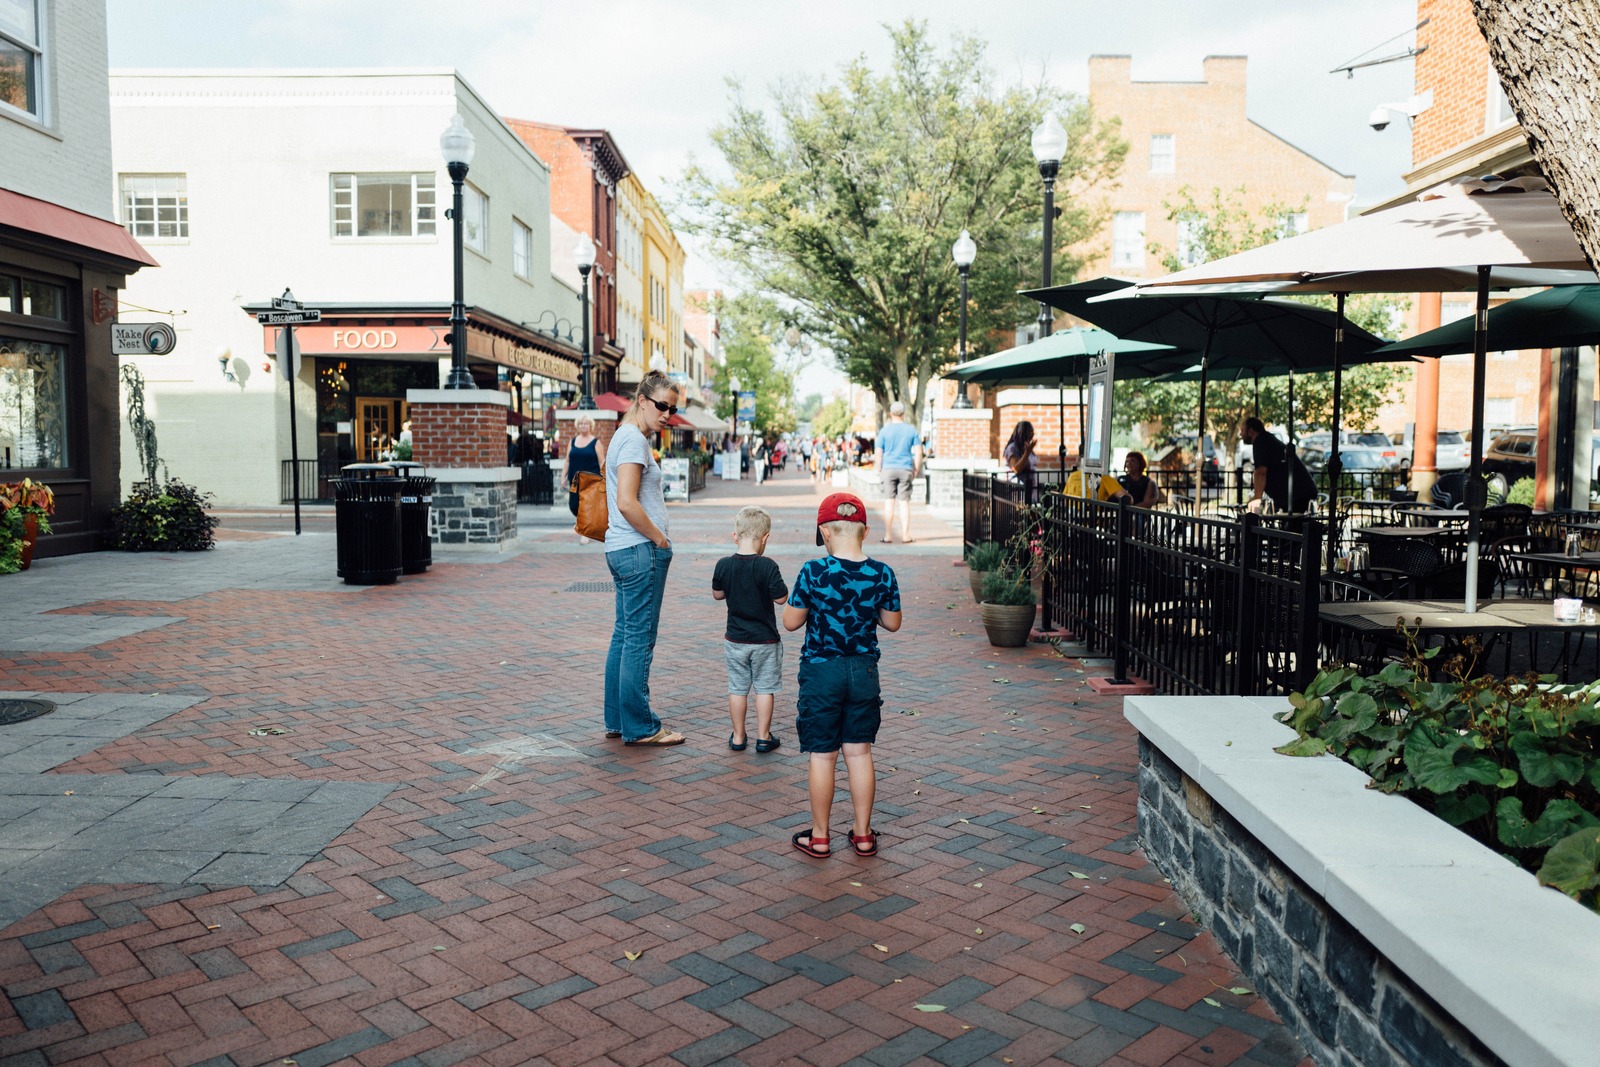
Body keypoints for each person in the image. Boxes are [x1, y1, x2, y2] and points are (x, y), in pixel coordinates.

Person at [782, 492, 903, 859]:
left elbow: (790, 622)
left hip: (822, 671)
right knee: (859, 752)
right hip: (863, 670)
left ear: (824, 532)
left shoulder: (813, 571)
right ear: (864, 531)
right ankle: (863, 834)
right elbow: (893, 623)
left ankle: (820, 837)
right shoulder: (882, 572)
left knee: (822, 755)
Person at [604, 372, 685, 746]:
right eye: (662, 405)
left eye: (673, 407)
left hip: (622, 549)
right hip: (639, 550)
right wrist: (659, 539)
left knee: (624, 635)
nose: (668, 413)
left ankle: (619, 719)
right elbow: (626, 502)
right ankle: (640, 727)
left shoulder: (624, 437)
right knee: (639, 638)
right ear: (641, 400)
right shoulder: (634, 441)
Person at [712, 506, 789, 754]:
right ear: (765, 537)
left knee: (737, 687)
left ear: (735, 535)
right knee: (765, 688)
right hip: (765, 640)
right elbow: (781, 598)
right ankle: (764, 737)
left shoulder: (723, 565)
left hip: (735, 639)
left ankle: (737, 736)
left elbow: (717, 594)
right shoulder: (768, 566)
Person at [1240, 416, 1315, 514]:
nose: (1240, 434)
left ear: (1251, 431)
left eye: (1242, 430)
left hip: (1296, 495)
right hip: (1298, 492)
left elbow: (1260, 472)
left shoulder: (1261, 441)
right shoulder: (1266, 439)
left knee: (1293, 526)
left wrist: (1257, 498)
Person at [875, 401, 924, 544]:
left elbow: (879, 452)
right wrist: (915, 468)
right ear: (903, 414)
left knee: (889, 502)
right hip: (905, 468)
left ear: (891, 413)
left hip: (888, 468)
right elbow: (918, 452)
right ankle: (905, 535)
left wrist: (879, 468)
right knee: (904, 503)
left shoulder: (884, 431)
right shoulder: (911, 430)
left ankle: (888, 535)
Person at [566, 414, 606, 537]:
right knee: (574, 506)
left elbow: (602, 461)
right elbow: (567, 460)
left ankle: (584, 532)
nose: (583, 426)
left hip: (590, 481)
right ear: (578, 426)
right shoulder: (572, 442)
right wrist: (563, 477)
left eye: (586, 423)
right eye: (581, 424)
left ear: (590, 426)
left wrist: (604, 478)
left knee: (586, 506)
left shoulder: (596, 442)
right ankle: (583, 525)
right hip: (574, 480)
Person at [1002, 421, 1038, 494]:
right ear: (1020, 432)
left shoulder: (1028, 448)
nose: (1032, 435)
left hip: (1031, 488)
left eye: (1032, 432)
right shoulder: (1012, 448)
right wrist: (1027, 453)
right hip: (1017, 490)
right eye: (1029, 432)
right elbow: (1015, 469)